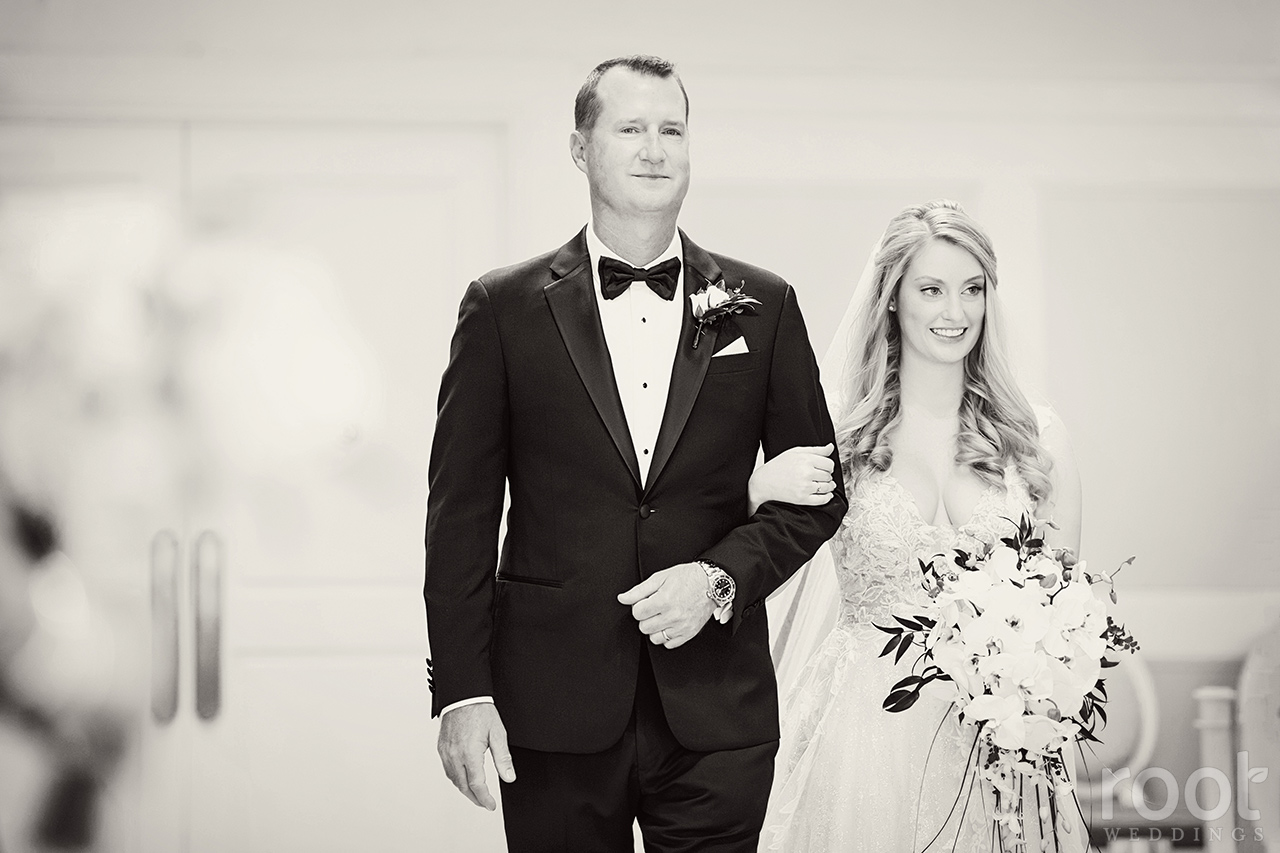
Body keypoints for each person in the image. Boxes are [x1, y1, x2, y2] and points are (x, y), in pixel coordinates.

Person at [423, 55, 847, 852]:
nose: (654, 149)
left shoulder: (765, 303)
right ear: (581, 149)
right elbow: (460, 516)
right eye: (630, 129)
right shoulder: (501, 307)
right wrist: (461, 690)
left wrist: (719, 578)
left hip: (717, 710)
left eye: (671, 130)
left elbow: (820, 493)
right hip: (551, 706)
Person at [752, 200, 1084, 851]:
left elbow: (1065, 618)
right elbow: (747, 546)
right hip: (860, 735)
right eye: (931, 289)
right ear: (893, 300)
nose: (953, 312)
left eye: (971, 289)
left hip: (998, 742)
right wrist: (758, 484)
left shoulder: (1039, 440)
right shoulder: (836, 434)